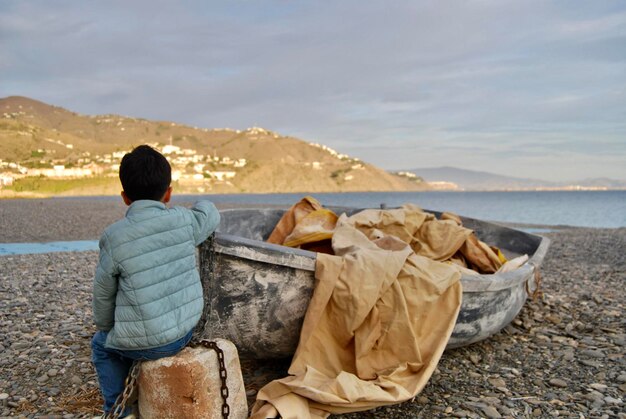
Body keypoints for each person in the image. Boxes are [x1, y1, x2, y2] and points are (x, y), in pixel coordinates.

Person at [91, 145, 220, 418]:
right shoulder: (184, 220)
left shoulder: (114, 236)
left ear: (125, 198)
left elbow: (103, 293)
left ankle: (119, 409)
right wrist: (201, 204)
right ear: (169, 193)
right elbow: (210, 214)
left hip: (150, 342)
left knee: (101, 346)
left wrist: (106, 328)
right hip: (186, 329)